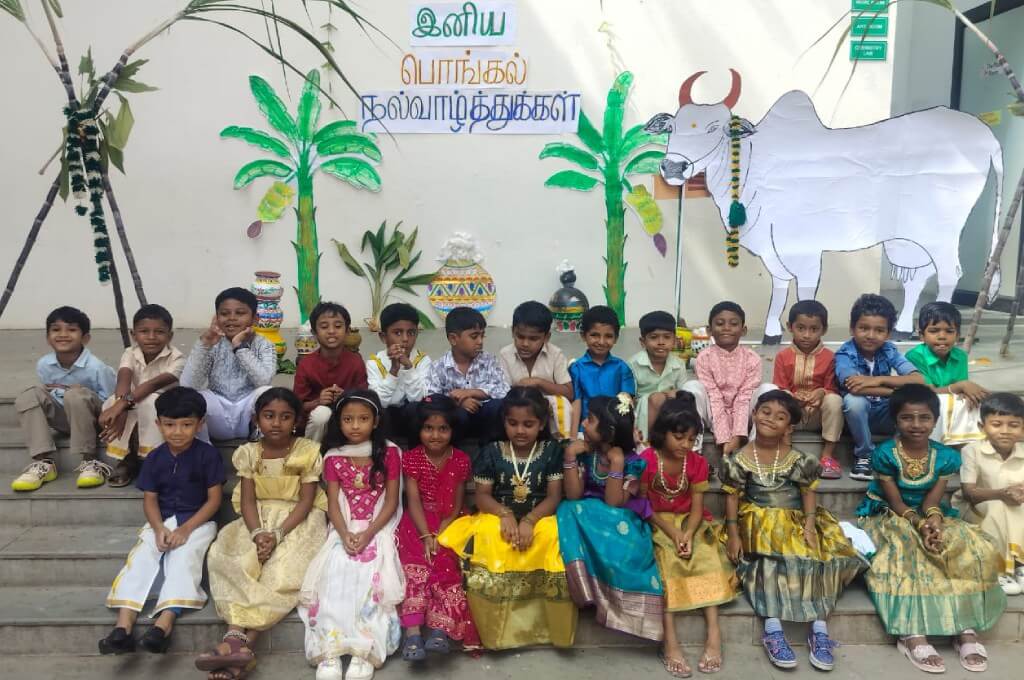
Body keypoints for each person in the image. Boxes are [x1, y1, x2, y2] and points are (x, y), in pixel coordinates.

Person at [856, 384, 1006, 674]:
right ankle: (912, 632)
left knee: (965, 546)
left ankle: (964, 628)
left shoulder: (946, 456)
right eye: (907, 418)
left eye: (924, 418)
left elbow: (933, 501)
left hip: (928, 513)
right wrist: (919, 525)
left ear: (935, 420)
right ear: (895, 420)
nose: (916, 425)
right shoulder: (886, 453)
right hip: (890, 513)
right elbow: (895, 502)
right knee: (905, 549)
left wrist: (934, 521)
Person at [721, 390, 866, 672]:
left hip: (796, 519)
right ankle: (773, 629)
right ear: (754, 414)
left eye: (780, 417)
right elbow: (731, 497)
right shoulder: (738, 459)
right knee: (770, 565)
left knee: (815, 558)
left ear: (789, 428)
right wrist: (734, 534)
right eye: (765, 412)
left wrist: (810, 525)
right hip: (757, 522)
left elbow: (808, 492)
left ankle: (819, 630)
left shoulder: (798, 458)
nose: (770, 419)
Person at [196, 388, 327, 680]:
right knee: (232, 557)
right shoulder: (248, 453)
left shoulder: (307, 451)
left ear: (296, 421)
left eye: (285, 417)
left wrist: (277, 535)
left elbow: (306, 502)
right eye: (269, 416)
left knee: (280, 570)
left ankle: (238, 645)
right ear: (256, 419)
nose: (276, 423)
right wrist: (257, 534)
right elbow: (246, 501)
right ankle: (238, 646)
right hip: (257, 519)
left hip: (298, 520)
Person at [438, 386, 577, 649]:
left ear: (542, 423)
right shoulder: (491, 451)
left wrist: (530, 520)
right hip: (497, 513)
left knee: (551, 536)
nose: (520, 430)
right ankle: (495, 632)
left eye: (528, 424)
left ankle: (544, 628)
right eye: (513, 423)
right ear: (504, 422)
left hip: (540, 515)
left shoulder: (551, 451)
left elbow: (554, 497)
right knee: (490, 535)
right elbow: (482, 497)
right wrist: (505, 514)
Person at [99, 387, 224, 655]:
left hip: (198, 522)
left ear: (200, 424)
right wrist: (158, 529)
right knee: (142, 557)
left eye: (186, 425)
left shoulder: (208, 455)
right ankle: (123, 627)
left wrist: (186, 529)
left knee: (184, 558)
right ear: (158, 424)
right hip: (162, 520)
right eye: (169, 425)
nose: (177, 432)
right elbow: (150, 500)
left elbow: (214, 501)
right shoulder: (155, 457)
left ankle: (163, 626)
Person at [299, 390, 404, 680]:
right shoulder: (333, 457)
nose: (355, 425)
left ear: (376, 421)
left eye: (363, 419)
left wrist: (368, 533)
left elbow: (391, 501)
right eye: (348, 419)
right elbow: (333, 503)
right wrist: (344, 534)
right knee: (335, 569)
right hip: (344, 526)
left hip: (378, 526)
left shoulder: (389, 453)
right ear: (339, 422)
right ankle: (330, 650)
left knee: (371, 573)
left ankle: (363, 650)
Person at [640, 399, 738, 676]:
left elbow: (697, 509)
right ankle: (670, 641)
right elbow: (643, 505)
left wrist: (688, 534)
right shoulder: (647, 459)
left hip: (689, 522)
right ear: (663, 432)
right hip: (656, 521)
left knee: (705, 556)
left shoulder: (697, 463)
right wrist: (672, 533)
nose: (686, 444)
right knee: (665, 561)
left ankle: (714, 635)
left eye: (692, 439)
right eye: (679, 437)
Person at [557, 394, 664, 642]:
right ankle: (586, 588)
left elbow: (614, 503)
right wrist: (570, 456)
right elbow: (573, 495)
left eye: (590, 420)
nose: (583, 423)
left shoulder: (633, 463)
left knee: (586, 513)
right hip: (590, 519)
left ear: (608, 432)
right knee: (569, 509)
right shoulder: (586, 454)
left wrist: (617, 464)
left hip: (621, 525)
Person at [395, 396, 480, 660]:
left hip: (450, 522)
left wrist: (441, 533)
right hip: (416, 522)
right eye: (428, 428)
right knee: (415, 569)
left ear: (452, 430)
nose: (435, 435)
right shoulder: (412, 458)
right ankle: (412, 635)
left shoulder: (460, 459)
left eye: (443, 429)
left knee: (446, 566)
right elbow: (413, 501)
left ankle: (440, 631)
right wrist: (425, 535)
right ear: (418, 430)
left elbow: (457, 503)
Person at [13, 305, 116, 491]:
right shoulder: (44, 364)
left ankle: (90, 461)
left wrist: (81, 392)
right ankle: (44, 462)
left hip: (95, 422)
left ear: (85, 338)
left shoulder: (97, 368)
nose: (63, 335)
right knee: (29, 394)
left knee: (75, 394)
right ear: (47, 337)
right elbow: (50, 392)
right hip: (65, 420)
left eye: (71, 330)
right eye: (56, 330)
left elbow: (111, 402)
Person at [836, 293, 923, 481]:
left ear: (888, 333)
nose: (870, 335)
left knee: (912, 400)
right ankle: (864, 455)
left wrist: (876, 380)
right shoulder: (845, 354)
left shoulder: (889, 349)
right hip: (855, 419)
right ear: (852, 328)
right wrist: (895, 390)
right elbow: (854, 387)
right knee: (854, 401)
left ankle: (902, 452)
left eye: (879, 330)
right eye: (863, 328)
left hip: (884, 413)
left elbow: (917, 379)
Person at [100, 304, 185, 487]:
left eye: (159, 332)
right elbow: (124, 379)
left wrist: (122, 405)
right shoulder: (130, 353)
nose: (151, 337)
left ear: (170, 335)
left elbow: (152, 385)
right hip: (133, 403)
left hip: (165, 409)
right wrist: (119, 406)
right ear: (133, 334)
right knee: (111, 402)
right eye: (144, 331)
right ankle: (126, 459)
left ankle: (151, 459)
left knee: (150, 401)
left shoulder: (177, 358)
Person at [181, 287, 276, 441]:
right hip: (218, 412)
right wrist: (204, 344)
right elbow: (187, 385)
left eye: (240, 313)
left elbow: (263, 381)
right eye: (224, 314)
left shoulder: (264, 344)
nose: (231, 318)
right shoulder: (212, 343)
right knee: (192, 398)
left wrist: (240, 347)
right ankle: (205, 450)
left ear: (255, 319)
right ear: (216, 318)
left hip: (248, 414)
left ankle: (261, 448)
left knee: (269, 394)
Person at [681, 301, 774, 457]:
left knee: (769, 390)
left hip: (746, 414)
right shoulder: (704, 358)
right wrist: (723, 437)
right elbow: (713, 396)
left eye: (733, 324)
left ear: (743, 330)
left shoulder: (752, 358)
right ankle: (694, 452)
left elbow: (744, 397)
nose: (726, 328)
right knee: (691, 388)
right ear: (710, 330)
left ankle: (756, 451)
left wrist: (738, 435)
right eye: (720, 323)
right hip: (712, 412)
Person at [955, 392, 1024, 595]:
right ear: (981, 427)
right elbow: (969, 493)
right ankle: (999, 568)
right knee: (998, 506)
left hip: (1014, 507)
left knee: (1014, 507)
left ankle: (1018, 565)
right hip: (978, 507)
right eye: (996, 424)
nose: (1005, 431)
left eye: (1013, 425)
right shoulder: (972, 450)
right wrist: (1002, 493)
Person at [771, 300, 843, 479]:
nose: (806, 335)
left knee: (834, 400)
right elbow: (780, 387)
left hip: (817, 416)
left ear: (824, 330)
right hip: (792, 416)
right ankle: (786, 452)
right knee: (780, 396)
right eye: (801, 328)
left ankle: (827, 456)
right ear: (790, 327)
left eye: (814, 329)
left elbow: (832, 388)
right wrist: (793, 397)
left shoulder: (830, 357)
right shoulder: (782, 356)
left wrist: (822, 392)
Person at [906, 301, 988, 446]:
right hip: (923, 402)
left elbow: (962, 391)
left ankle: (968, 443)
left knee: (976, 400)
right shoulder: (915, 356)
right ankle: (940, 445)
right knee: (941, 402)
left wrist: (966, 391)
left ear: (957, 335)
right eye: (934, 331)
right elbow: (927, 393)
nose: (942, 336)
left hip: (950, 402)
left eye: (949, 331)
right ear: (921, 336)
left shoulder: (960, 356)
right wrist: (959, 387)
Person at [426, 306, 509, 444]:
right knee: (456, 414)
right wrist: (457, 402)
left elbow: (504, 390)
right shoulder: (439, 367)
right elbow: (431, 398)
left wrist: (470, 392)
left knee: (497, 406)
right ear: (453, 339)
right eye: (474, 336)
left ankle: (489, 449)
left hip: (485, 419)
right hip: (457, 421)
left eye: (482, 335)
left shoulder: (489, 361)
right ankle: (454, 452)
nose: (480, 341)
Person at [295, 302, 369, 443]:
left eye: (338, 326)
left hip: (349, 418)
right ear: (314, 333)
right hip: (315, 424)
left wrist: (346, 397)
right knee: (322, 414)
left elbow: (365, 399)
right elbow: (296, 406)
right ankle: (312, 453)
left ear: (347, 331)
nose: (331, 331)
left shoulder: (356, 361)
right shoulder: (306, 364)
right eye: (324, 327)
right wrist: (318, 401)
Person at [499, 301, 574, 438]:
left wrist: (539, 382)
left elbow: (568, 393)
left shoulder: (555, 354)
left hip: (547, 413)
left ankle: (562, 444)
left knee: (561, 403)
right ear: (513, 332)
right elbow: (502, 393)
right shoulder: (505, 355)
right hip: (518, 411)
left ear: (546, 337)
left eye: (533, 339)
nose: (525, 344)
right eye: (520, 337)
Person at [366, 302, 431, 441]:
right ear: (383, 337)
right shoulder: (374, 363)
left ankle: (416, 452)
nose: (405, 339)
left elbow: (421, 399)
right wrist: (393, 370)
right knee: (383, 413)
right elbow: (378, 403)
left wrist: (409, 367)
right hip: (386, 419)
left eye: (411, 333)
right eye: (397, 333)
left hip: (413, 419)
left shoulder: (423, 360)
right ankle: (387, 451)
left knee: (415, 408)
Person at [569, 305, 636, 433]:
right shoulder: (576, 368)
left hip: (615, 430)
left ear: (616, 338)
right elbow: (576, 402)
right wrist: (573, 436)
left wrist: (628, 434)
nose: (601, 341)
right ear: (583, 335)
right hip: (586, 429)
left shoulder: (622, 367)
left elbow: (626, 401)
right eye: (594, 335)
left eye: (608, 336)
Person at [629, 311, 688, 440]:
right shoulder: (633, 364)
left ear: (674, 341)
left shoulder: (679, 364)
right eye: (654, 337)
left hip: (670, 412)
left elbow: (684, 395)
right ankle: (650, 443)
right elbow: (630, 400)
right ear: (643, 342)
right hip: (643, 415)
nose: (661, 342)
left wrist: (674, 394)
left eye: (667, 337)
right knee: (657, 398)